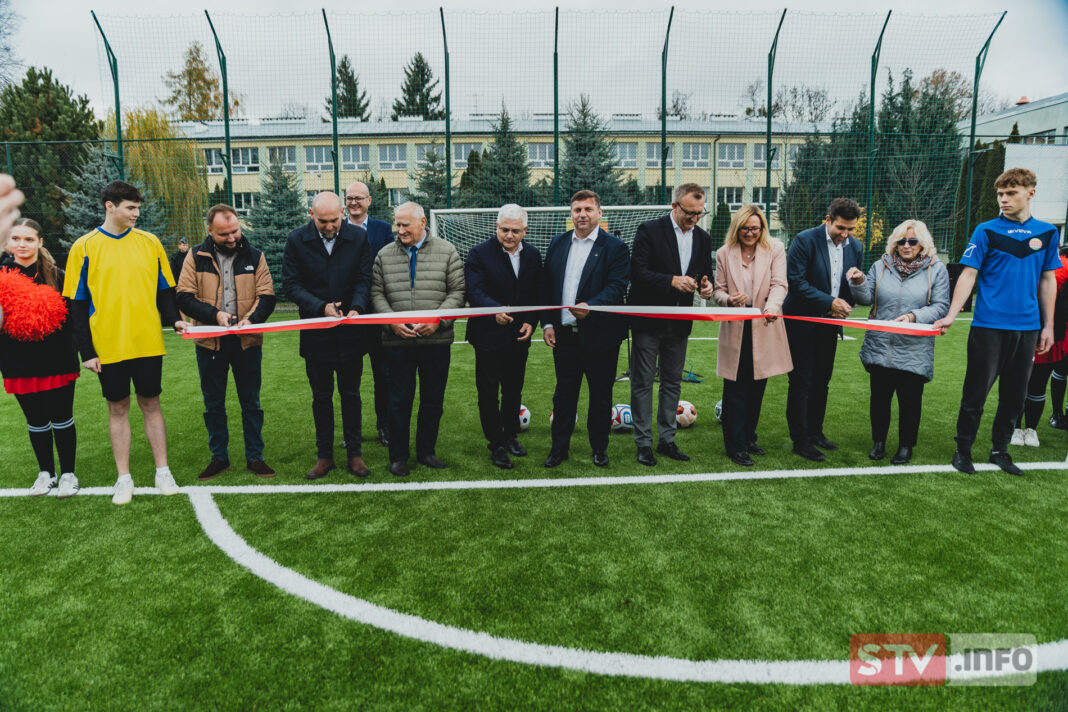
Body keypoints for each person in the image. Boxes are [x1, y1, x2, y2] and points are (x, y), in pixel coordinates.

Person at [63, 180, 189, 505]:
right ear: (110, 206)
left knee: (151, 403)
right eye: (130, 208)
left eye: (137, 208)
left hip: (147, 341)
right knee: (117, 408)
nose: (136, 213)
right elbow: (76, 305)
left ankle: (163, 471)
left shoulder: (150, 243)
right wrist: (87, 352)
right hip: (107, 346)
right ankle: (124, 478)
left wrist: (174, 318)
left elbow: (165, 291)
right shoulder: (84, 247)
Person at [935, 168, 1060, 476]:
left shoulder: (1046, 233)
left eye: (1011, 193)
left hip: (1028, 328)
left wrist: (1048, 325)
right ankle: (962, 450)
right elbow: (968, 274)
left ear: (1030, 193)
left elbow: (1048, 280)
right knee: (975, 393)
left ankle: (999, 451)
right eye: (1000, 194)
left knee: (1015, 394)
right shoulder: (986, 230)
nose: (1003, 199)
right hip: (988, 327)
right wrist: (953, 313)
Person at [177, 204, 277, 480]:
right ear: (209, 230)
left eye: (235, 231)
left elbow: (267, 296)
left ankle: (255, 456)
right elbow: (184, 296)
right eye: (224, 234)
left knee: (251, 403)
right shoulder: (195, 256)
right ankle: (219, 457)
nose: (232, 238)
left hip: (247, 341)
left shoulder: (255, 256)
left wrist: (252, 320)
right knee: (213, 404)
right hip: (210, 341)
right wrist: (215, 316)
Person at [282, 191, 373, 479]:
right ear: (311, 215)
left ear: (343, 213)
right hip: (316, 333)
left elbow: (364, 278)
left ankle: (355, 455)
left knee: (351, 395)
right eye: (323, 221)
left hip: (350, 333)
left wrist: (357, 308)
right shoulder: (296, 240)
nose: (330, 226)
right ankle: (325, 456)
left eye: (335, 220)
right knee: (321, 397)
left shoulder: (358, 237)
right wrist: (321, 307)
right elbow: (291, 285)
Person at [371, 201, 465, 477]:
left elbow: (458, 292)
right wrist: (391, 322)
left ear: (422, 223)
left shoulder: (447, 252)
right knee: (398, 401)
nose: (399, 230)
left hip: (435, 342)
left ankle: (427, 452)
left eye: (404, 225)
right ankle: (398, 456)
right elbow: (376, 293)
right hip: (397, 343)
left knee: (432, 400)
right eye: (396, 224)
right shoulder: (384, 255)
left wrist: (437, 321)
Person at [848, 219, 950, 464]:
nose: (906, 245)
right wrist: (860, 281)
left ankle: (906, 446)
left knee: (910, 402)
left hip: (914, 348)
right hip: (880, 346)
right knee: (879, 399)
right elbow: (865, 300)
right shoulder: (879, 266)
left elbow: (940, 306)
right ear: (894, 243)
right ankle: (878, 442)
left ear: (922, 244)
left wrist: (914, 317)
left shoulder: (936, 270)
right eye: (901, 241)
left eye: (912, 241)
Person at [541, 190, 630, 468]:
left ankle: (599, 448)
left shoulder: (615, 247)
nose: (582, 214)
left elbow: (617, 287)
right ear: (571, 213)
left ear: (599, 213)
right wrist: (548, 322)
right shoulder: (557, 244)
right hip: (565, 335)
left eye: (588, 209)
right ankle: (559, 449)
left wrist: (591, 305)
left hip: (601, 336)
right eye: (577, 209)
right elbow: (548, 287)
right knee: (564, 394)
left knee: (600, 395)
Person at [628, 183, 714, 466]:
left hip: (680, 323)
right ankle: (643, 444)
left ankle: (667, 440)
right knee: (642, 383)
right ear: (674, 206)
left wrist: (706, 286)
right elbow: (637, 272)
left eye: (700, 213)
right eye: (690, 212)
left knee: (672, 382)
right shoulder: (649, 230)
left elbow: (704, 274)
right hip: (648, 321)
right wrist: (671, 280)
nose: (695, 218)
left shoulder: (702, 237)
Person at [0, 219, 80, 497]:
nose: (22, 245)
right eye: (16, 239)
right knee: (35, 419)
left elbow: (73, 319)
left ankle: (68, 474)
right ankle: (46, 472)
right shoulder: (0, 276)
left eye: (29, 239)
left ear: (40, 242)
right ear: (9, 243)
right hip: (17, 360)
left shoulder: (57, 275)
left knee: (62, 417)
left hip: (57, 358)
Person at [782, 197, 864, 462]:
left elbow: (851, 289)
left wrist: (858, 285)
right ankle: (801, 440)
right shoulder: (804, 240)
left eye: (851, 229)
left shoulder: (857, 247)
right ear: (828, 220)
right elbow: (795, 282)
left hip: (830, 325)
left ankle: (816, 432)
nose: (845, 234)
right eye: (841, 228)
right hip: (801, 323)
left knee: (822, 381)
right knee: (801, 381)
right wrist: (830, 302)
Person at [465, 203, 543, 469]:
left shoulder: (533, 255)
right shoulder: (478, 254)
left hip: (519, 336)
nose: (509, 235)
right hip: (487, 336)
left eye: (515, 231)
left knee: (513, 390)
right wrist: (492, 311)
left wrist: (532, 323)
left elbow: (536, 295)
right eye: (504, 230)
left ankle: (510, 435)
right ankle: (495, 444)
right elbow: (474, 291)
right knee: (488, 393)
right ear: (496, 227)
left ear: (525, 230)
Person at [713, 205, 792, 466]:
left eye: (755, 229)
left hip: (765, 324)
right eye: (745, 229)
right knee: (735, 388)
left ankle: (748, 437)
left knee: (757, 386)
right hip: (736, 326)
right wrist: (729, 300)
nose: (750, 233)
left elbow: (780, 284)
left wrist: (772, 306)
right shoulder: (725, 253)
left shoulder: (775, 249)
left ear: (762, 229)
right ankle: (734, 446)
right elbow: (718, 291)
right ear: (737, 228)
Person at [345, 180, 395, 448]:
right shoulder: (335, 229)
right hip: (348, 316)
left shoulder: (383, 230)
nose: (353, 202)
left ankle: (384, 427)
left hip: (376, 315)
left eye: (358, 198)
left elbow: (389, 267)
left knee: (383, 375)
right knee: (348, 379)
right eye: (349, 198)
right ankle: (351, 433)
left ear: (369, 201)